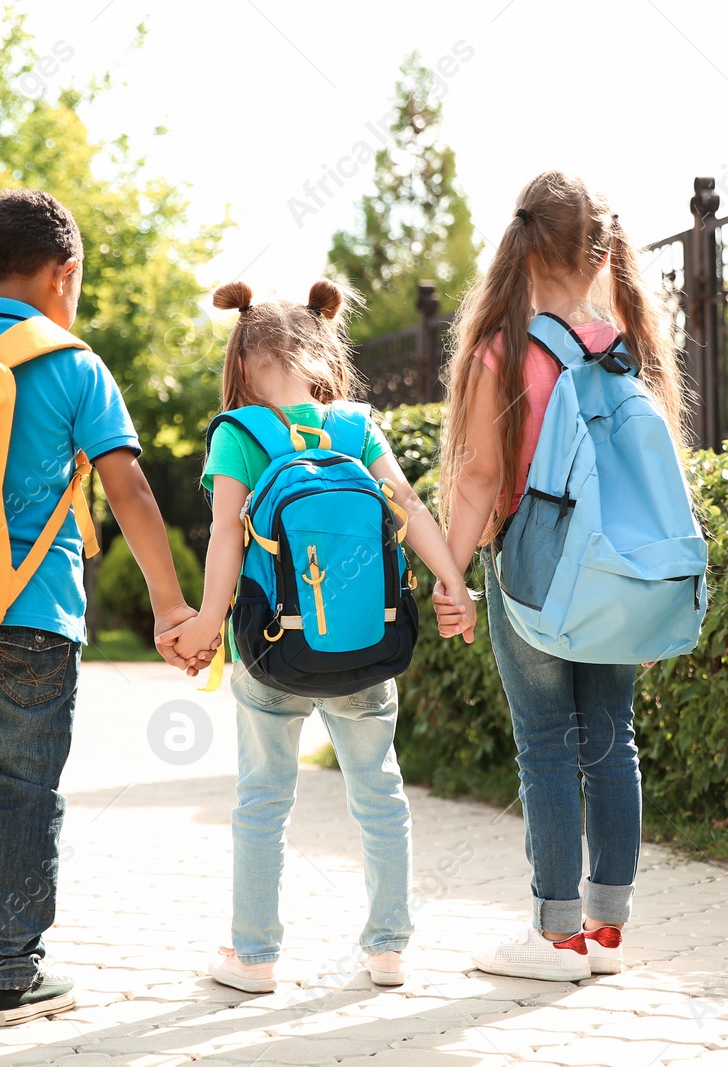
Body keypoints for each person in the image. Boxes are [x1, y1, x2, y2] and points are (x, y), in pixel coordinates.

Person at [0, 189, 204, 1025]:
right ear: (66, 273)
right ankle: (11, 972)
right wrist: (171, 605)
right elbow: (128, 487)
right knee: (27, 786)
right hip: (38, 614)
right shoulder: (72, 364)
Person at [162, 279, 475, 992]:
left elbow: (224, 540)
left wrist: (208, 623)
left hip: (271, 650)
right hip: (367, 645)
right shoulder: (358, 427)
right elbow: (409, 510)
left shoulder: (239, 433)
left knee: (263, 798)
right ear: (323, 349)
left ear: (241, 360)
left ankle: (254, 955)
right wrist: (452, 580)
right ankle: (389, 948)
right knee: (380, 793)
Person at [432, 171, 690, 982]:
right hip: (618, 573)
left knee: (545, 746)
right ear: (602, 253)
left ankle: (556, 936)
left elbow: (477, 477)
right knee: (613, 741)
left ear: (522, 247)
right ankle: (609, 926)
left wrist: (451, 576)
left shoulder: (503, 354)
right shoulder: (625, 350)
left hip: (534, 576)